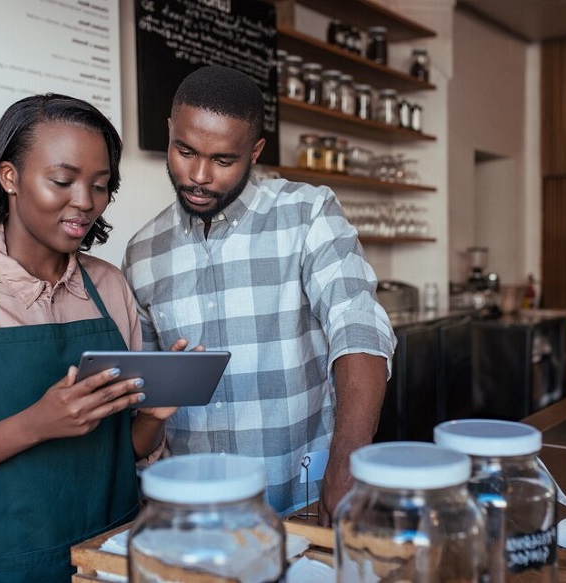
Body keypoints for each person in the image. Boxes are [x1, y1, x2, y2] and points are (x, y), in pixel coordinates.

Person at [0, 94, 176, 582]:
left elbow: (120, 451)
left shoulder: (108, 285)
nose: (85, 201)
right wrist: (36, 424)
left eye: (101, 186)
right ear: (10, 177)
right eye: (62, 181)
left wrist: (153, 415)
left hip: (106, 554)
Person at [122, 66, 397, 526]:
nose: (199, 176)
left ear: (255, 151)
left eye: (223, 160)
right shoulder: (143, 252)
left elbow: (359, 327)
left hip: (301, 502)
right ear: (169, 131)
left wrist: (347, 464)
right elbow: (150, 403)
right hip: (196, 514)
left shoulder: (307, 212)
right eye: (184, 150)